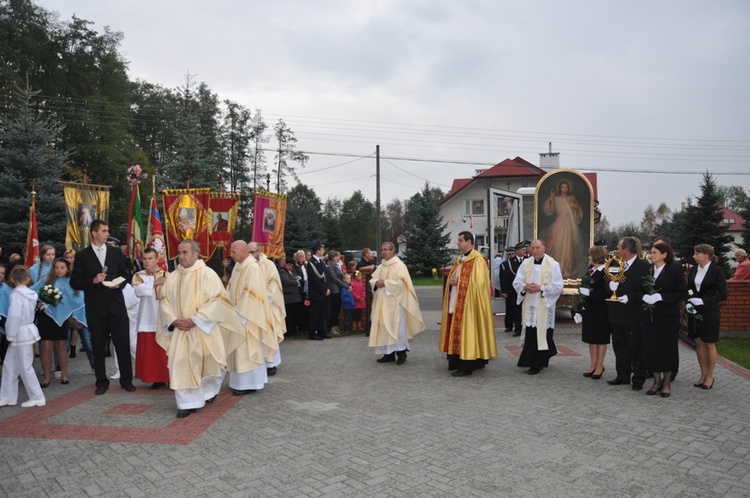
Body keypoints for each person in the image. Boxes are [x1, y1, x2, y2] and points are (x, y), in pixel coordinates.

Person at [157, 240, 245, 418]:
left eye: (185, 252)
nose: (181, 256)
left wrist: (195, 320)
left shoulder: (208, 275)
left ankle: (207, 392)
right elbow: (164, 301)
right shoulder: (173, 277)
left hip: (202, 330)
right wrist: (173, 320)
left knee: (206, 363)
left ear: (196, 254)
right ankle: (186, 403)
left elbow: (216, 300)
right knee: (179, 364)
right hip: (181, 332)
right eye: (179, 252)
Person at [70, 219, 136, 395]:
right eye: (104, 231)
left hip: (116, 306)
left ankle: (126, 380)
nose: (107, 234)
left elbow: (126, 274)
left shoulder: (115, 253)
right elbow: (74, 281)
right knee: (98, 345)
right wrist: (93, 280)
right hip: (96, 308)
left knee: (122, 344)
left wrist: (119, 284)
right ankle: (101, 381)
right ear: (94, 233)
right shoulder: (83, 255)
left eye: (108, 231)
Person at [439, 231, 497, 376]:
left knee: (469, 330)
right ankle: (459, 360)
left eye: (460, 240)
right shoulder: (460, 259)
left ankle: (467, 366)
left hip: (470, 304)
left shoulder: (478, 260)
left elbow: (479, 284)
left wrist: (458, 281)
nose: (457, 243)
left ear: (469, 241)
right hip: (457, 300)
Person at [225, 240, 272, 396]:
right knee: (238, 350)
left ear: (244, 251)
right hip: (235, 315)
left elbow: (251, 293)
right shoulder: (238, 267)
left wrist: (239, 316)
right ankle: (239, 382)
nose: (230, 255)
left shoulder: (252, 268)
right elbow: (230, 289)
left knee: (247, 350)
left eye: (233, 252)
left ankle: (250, 383)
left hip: (248, 316)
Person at [641, 242, 688, 398]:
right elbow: (642, 288)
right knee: (652, 348)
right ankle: (656, 381)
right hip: (651, 316)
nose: (651, 255)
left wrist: (661, 297)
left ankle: (666, 383)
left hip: (668, 316)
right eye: (651, 252)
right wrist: (645, 296)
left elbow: (682, 293)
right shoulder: (649, 269)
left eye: (654, 252)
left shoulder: (674, 269)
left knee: (666, 349)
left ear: (664, 254)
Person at [513, 239, 564, 374]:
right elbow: (517, 281)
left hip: (544, 305)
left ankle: (538, 363)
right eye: (532, 248)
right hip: (530, 303)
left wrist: (541, 288)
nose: (535, 251)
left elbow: (558, 286)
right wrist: (525, 287)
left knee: (542, 333)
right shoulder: (526, 263)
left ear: (544, 248)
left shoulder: (553, 264)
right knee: (531, 333)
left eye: (537, 248)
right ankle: (531, 361)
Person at [369, 242, 425, 364]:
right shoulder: (381, 266)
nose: (383, 252)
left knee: (397, 328)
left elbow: (402, 283)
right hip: (382, 303)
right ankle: (388, 354)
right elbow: (373, 279)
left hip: (395, 303)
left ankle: (401, 353)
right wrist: (376, 282)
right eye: (382, 249)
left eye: (386, 249)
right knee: (384, 327)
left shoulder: (399, 265)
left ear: (392, 251)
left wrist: (386, 283)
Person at [607, 236, 649, 390]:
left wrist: (629, 297)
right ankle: (622, 375)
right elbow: (608, 281)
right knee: (619, 345)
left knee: (635, 347)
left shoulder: (643, 266)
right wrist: (610, 286)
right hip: (617, 313)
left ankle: (638, 378)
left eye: (618, 248)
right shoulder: (615, 264)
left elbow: (645, 289)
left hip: (633, 314)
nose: (617, 251)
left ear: (626, 250)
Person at [0, 266, 46, 408]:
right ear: (28, 279)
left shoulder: (16, 294)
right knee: (9, 364)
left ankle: (37, 396)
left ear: (12, 279)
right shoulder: (31, 293)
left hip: (20, 332)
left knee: (25, 366)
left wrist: (10, 334)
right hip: (25, 330)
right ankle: (8, 396)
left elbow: (14, 315)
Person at [36, 258, 85, 387]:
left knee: (61, 346)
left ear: (68, 269)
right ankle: (46, 377)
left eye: (62, 267)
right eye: (56, 267)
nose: (59, 270)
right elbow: (34, 292)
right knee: (46, 346)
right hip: (46, 316)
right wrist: (39, 302)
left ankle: (64, 374)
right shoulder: (45, 280)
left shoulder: (71, 282)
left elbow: (79, 299)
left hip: (62, 318)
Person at [687, 244, 728, 390]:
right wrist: (689, 302)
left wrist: (704, 301)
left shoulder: (717, 271)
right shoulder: (693, 270)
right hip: (695, 311)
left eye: (696, 253)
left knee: (709, 342)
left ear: (706, 255)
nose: (694, 256)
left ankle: (710, 376)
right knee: (698, 342)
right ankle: (703, 374)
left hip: (710, 311)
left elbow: (723, 294)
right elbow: (689, 289)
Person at [132, 248, 170, 390]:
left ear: (157, 259)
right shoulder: (138, 275)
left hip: (162, 316)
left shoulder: (167, 274)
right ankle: (156, 378)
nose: (147, 262)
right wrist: (155, 283)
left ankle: (170, 377)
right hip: (146, 317)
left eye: (150, 259)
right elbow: (138, 290)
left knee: (165, 348)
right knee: (150, 351)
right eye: (145, 259)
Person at [249, 242, 285, 375]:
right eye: (248, 252)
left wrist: (265, 299)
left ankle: (271, 363)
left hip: (267, 306)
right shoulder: (245, 266)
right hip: (251, 308)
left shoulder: (268, 265)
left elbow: (274, 283)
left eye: (252, 252)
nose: (250, 255)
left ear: (259, 251)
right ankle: (258, 362)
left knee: (269, 333)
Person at [540, 180, 586, 278]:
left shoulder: (572, 198)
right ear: (559, 188)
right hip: (559, 224)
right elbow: (549, 210)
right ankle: (557, 269)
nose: (564, 189)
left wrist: (576, 207)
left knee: (568, 247)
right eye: (562, 187)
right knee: (558, 246)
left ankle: (566, 269)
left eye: (566, 187)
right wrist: (551, 198)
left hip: (570, 226)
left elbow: (579, 212)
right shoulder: (556, 198)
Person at [579, 245, 611, 379]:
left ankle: (600, 366)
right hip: (590, 310)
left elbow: (606, 293)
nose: (588, 257)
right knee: (591, 339)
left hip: (601, 310)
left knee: (600, 339)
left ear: (596, 256)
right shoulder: (590, 271)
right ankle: (592, 364)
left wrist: (590, 294)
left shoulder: (606, 273)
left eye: (590, 255)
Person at [306, 240, 330, 340]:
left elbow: (324, 277)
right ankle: (312, 333)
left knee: (322, 314)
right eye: (322, 249)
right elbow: (314, 280)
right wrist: (324, 290)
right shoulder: (311, 263)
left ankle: (321, 331)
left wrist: (327, 288)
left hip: (322, 293)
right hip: (316, 293)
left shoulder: (321, 261)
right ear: (318, 250)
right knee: (315, 315)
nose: (324, 250)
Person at [326, 250, 350, 335]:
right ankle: (332, 327)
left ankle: (336, 326)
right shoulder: (329, 266)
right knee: (333, 310)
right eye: (336, 257)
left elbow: (340, 276)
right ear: (332, 258)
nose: (338, 258)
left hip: (338, 289)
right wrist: (346, 286)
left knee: (337, 309)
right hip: (333, 290)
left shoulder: (337, 265)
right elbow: (334, 279)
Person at [281, 257, 303, 337]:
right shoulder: (282, 272)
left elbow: (299, 276)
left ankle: (294, 330)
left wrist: (297, 266)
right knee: (289, 315)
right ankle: (289, 331)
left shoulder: (293, 271)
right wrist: (297, 282)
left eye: (292, 266)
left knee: (295, 314)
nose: (290, 267)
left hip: (296, 296)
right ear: (285, 264)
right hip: (289, 296)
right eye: (289, 265)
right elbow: (287, 281)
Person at [499, 246, 518, 333]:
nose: (511, 256)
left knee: (516, 309)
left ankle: (517, 326)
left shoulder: (518, 263)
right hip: (509, 290)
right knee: (509, 309)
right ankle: (508, 325)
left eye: (512, 254)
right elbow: (502, 279)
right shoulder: (504, 264)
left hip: (517, 289)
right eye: (509, 254)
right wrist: (504, 291)